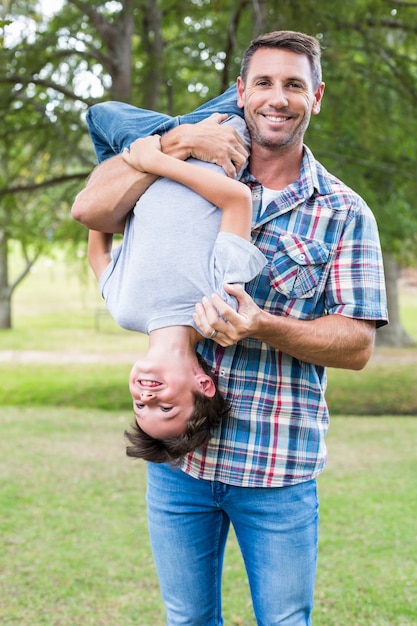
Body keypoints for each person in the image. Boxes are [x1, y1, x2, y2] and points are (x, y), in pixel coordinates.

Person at [72, 30, 388, 625]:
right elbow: (92, 209)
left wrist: (262, 324)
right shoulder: (190, 164)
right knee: (187, 619)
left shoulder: (344, 212)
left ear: (316, 97)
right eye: (264, 83)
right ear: (241, 92)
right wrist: (176, 141)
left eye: (294, 85)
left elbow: (358, 344)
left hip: (276, 470)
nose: (279, 97)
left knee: (285, 621)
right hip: (181, 470)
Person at [79, 114, 266, 463]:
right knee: (276, 70)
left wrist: (131, 169)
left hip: (147, 146)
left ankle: (170, 134)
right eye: (165, 408)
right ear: (203, 385)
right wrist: (160, 158)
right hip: (219, 126)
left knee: (100, 114)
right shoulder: (218, 306)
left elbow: (97, 242)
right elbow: (237, 200)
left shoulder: (123, 309)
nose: (147, 398)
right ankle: (178, 131)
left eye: (139, 405)